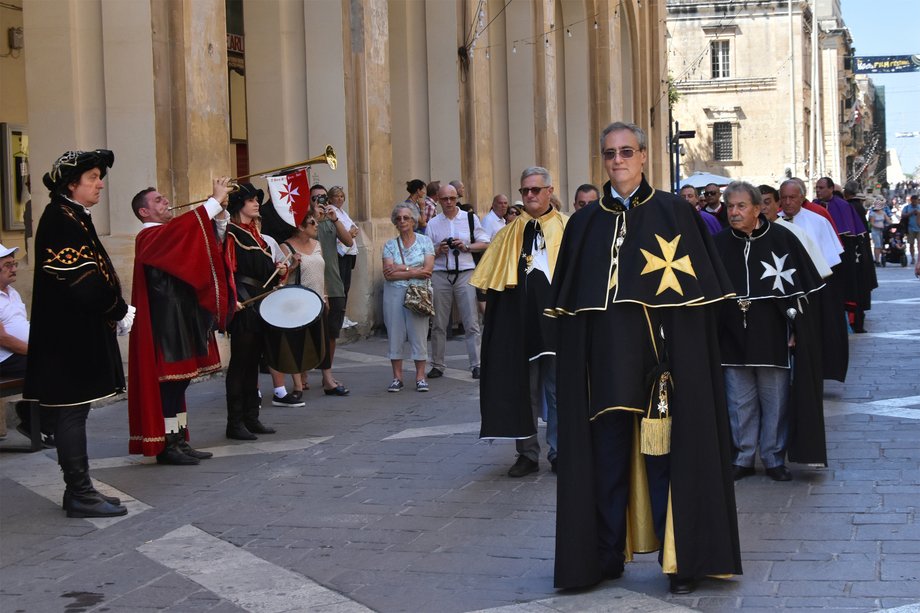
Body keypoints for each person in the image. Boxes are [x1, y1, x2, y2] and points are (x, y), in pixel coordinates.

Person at [547, 122, 740, 594]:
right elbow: (571, 310)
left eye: (627, 151)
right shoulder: (585, 223)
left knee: (664, 463)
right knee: (607, 461)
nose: (618, 161)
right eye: (610, 153)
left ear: (645, 156)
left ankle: (681, 563)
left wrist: (683, 361)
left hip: (661, 371)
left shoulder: (675, 212)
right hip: (604, 371)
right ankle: (604, 555)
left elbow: (699, 306)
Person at [25, 149, 132, 518]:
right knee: (71, 412)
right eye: (92, 178)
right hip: (66, 337)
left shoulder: (72, 215)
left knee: (77, 411)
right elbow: (81, 280)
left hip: (77, 331)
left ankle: (82, 488)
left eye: (99, 176)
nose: (100, 183)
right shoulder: (60, 218)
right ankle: (79, 493)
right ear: (71, 184)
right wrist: (117, 308)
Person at [713, 181, 824, 482]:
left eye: (741, 206)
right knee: (739, 401)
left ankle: (773, 457)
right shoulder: (719, 243)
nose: (734, 213)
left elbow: (802, 293)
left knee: (775, 399)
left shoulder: (783, 239)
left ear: (758, 208)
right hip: (732, 335)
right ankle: (744, 456)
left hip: (772, 333)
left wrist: (796, 329)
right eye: (730, 207)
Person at [127, 178, 233, 465]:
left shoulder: (168, 233)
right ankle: (167, 443)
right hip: (165, 326)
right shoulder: (148, 237)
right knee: (170, 385)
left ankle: (178, 438)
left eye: (164, 198)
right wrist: (211, 202)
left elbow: (201, 247)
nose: (166, 202)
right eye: (158, 200)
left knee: (181, 382)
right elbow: (183, 230)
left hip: (181, 319)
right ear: (143, 213)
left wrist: (219, 214)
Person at [472, 167, 567, 477]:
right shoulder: (507, 234)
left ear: (549, 191)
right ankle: (527, 453)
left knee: (558, 391)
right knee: (523, 390)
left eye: (536, 190)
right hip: (521, 327)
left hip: (559, 325)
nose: (529, 196)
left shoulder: (569, 229)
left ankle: (560, 451)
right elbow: (492, 289)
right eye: (525, 191)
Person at [224, 183, 286, 440]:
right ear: (239, 205)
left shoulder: (257, 235)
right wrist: (233, 300)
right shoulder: (231, 233)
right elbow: (227, 270)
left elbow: (264, 269)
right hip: (244, 304)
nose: (256, 203)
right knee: (240, 363)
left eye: (256, 200)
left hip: (261, 302)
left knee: (253, 363)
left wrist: (281, 269)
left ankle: (252, 417)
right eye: (250, 200)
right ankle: (234, 423)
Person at [777, 180, 848, 382]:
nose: (788, 202)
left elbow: (830, 259)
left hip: (813, 288)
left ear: (802, 197)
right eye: (784, 198)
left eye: (793, 197)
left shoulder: (818, 221)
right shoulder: (774, 222)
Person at [425, 183, 489, 380]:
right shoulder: (433, 223)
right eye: (444, 199)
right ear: (439, 199)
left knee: (471, 323)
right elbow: (426, 252)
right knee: (438, 324)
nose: (449, 202)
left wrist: (467, 246)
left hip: (465, 272)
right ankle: (437, 364)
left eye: (452, 198)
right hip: (441, 273)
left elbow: (485, 242)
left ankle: (476, 364)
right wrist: (438, 250)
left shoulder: (469, 219)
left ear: (457, 199)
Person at [381, 203, 435, 392]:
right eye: (398, 218)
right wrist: (413, 271)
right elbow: (388, 274)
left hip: (418, 293)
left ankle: (420, 376)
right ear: (395, 223)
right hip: (394, 293)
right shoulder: (389, 245)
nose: (402, 221)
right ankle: (397, 377)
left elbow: (427, 271)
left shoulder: (425, 242)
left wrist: (401, 268)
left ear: (413, 221)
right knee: (395, 333)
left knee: (419, 333)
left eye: (406, 217)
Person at [276, 206, 329, 397]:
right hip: (297, 301)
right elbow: (280, 276)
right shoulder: (286, 247)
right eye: (312, 222)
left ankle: (327, 379)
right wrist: (293, 266)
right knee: (297, 342)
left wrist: (325, 295)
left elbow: (322, 271)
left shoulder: (317, 244)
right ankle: (298, 385)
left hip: (317, 299)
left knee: (320, 340)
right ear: (300, 226)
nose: (317, 225)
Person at [814, 177, 877, 332]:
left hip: (842, 257)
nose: (818, 191)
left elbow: (851, 234)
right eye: (817, 188)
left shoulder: (843, 206)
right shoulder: (813, 206)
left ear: (831, 189)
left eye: (821, 188)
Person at [309, 184, 354, 395]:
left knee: (332, 332)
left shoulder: (331, 220)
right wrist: (315, 218)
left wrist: (334, 218)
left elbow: (348, 241)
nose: (320, 200)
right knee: (309, 331)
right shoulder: (306, 222)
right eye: (315, 197)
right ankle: (302, 375)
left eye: (322, 197)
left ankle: (328, 372)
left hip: (333, 282)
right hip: (312, 283)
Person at [326, 186, 360, 301]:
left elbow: (352, 226)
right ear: (330, 198)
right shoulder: (330, 211)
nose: (340, 199)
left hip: (349, 251)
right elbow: (338, 232)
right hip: (340, 253)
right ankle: (340, 315)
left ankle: (343, 315)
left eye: (342, 196)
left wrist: (352, 231)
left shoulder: (342, 211)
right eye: (336, 196)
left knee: (346, 285)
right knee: (341, 286)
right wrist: (349, 234)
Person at [0, 244, 28, 379]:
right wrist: (35, 351)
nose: (14, 269)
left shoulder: (12, 291)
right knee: (49, 363)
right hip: (6, 359)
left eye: (14, 264)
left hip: (20, 353)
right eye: (8, 265)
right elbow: (2, 339)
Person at [901, 194, 919, 265]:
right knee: (911, 244)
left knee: (919, 245)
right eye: (913, 201)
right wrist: (911, 213)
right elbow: (903, 215)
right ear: (911, 200)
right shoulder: (907, 207)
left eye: (916, 201)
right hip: (910, 228)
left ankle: (918, 259)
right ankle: (913, 258)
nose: (915, 202)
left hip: (919, 228)